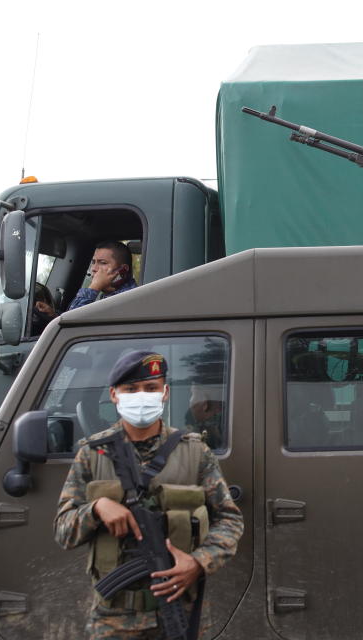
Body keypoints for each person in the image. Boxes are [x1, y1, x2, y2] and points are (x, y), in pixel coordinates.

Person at [54, 350, 244, 639]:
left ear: (165, 393)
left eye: (151, 388)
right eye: (131, 389)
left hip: (180, 611)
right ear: (114, 395)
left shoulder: (195, 453)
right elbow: (63, 531)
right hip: (113, 620)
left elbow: (229, 520)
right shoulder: (93, 454)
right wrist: (96, 509)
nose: (141, 396)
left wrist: (199, 562)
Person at [68, 241, 138, 310]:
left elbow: (72, 319)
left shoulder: (130, 299)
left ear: (123, 270)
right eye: (93, 262)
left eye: (103, 263)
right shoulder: (107, 294)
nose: (93, 268)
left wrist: (94, 287)